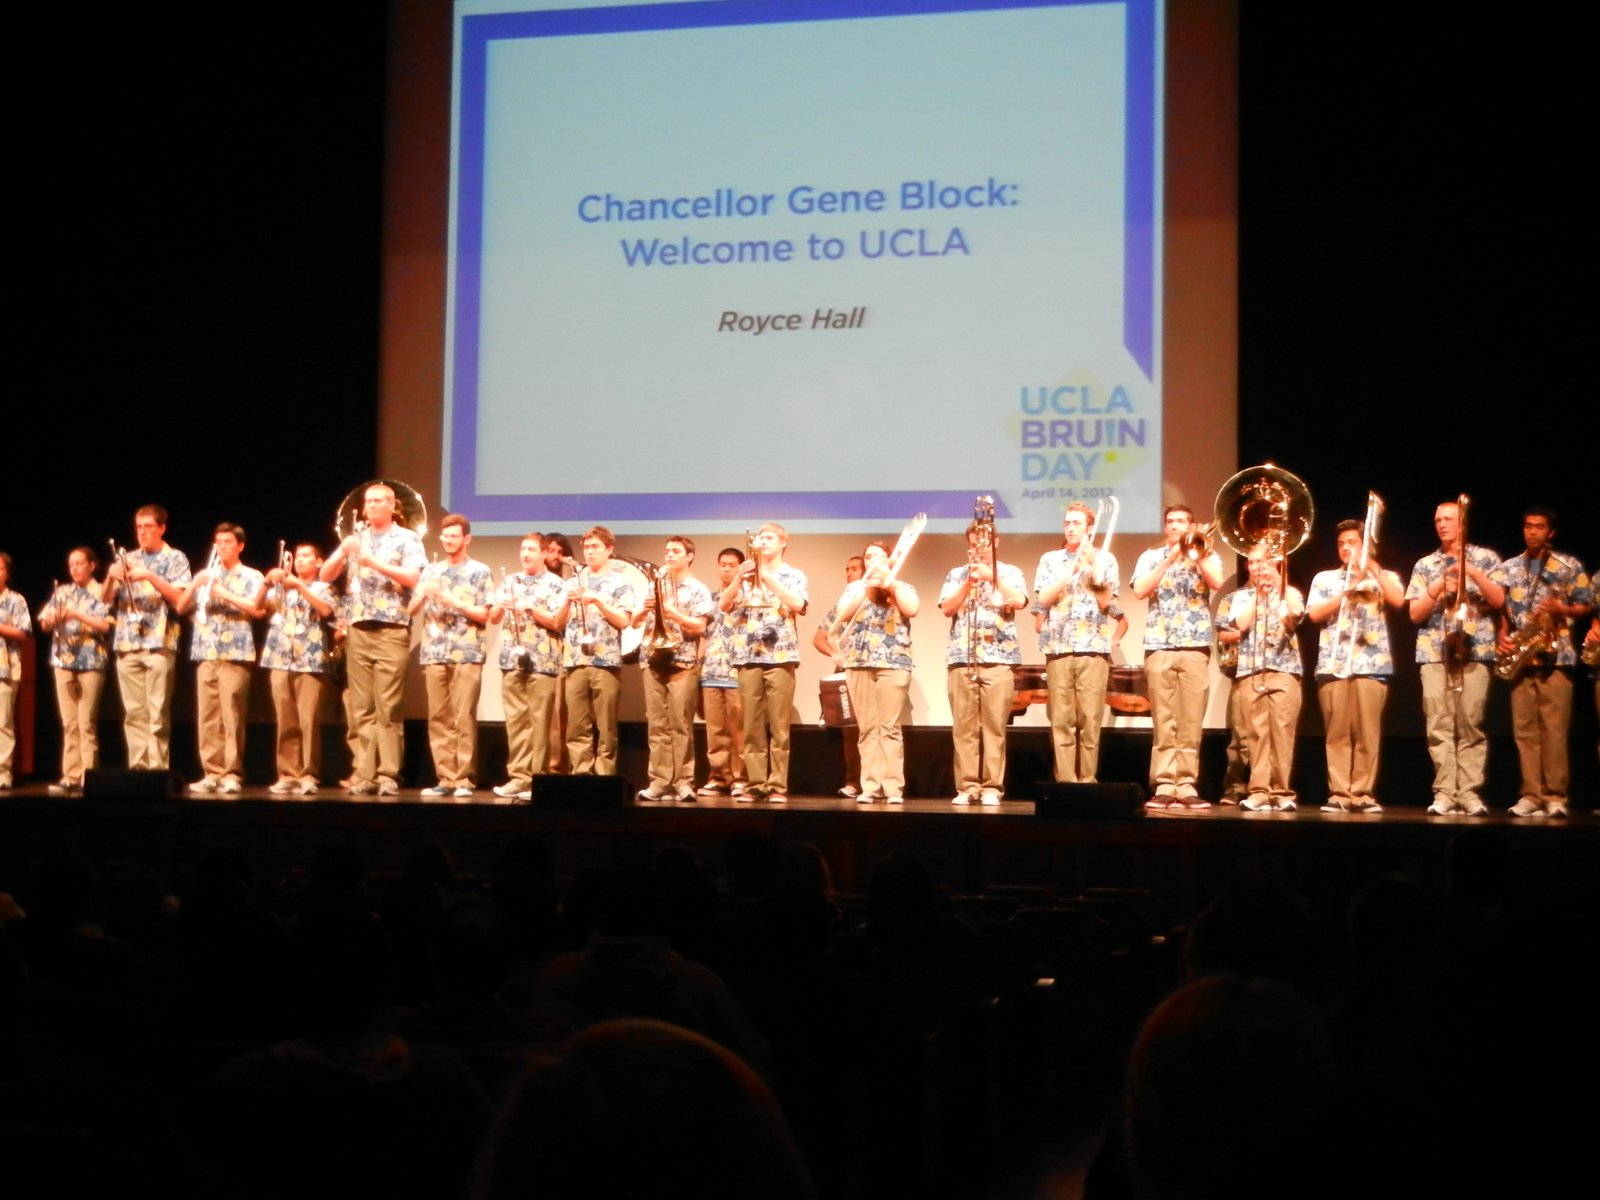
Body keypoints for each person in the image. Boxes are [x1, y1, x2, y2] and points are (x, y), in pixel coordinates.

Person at [321, 483, 426, 797]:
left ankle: (388, 774)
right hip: (358, 627)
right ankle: (365, 773)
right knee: (362, 706)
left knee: (388, 706)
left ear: (393, 506)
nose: (372, 506)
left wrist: (373, 563)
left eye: (379, 501)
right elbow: (325, 575)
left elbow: (414, 577)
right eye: (368, 501)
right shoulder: (357, 538)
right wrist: (344, 550)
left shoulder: (407, 538)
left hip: (392, 627)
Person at [1490, 506, 1592, 818]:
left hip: (1556, 656)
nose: (1532, 532)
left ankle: (1556, 796)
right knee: (1525, 731)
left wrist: (1562, 609)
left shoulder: (1568, 565)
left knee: (1554, 730)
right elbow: (1500, 608)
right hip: (1522, 656)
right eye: (1528, 526)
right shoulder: (1509, 567)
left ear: (1551, 532)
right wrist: (1502, 634)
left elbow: (1586, 605)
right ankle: (1531, 795)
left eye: (1539, 527)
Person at [1405, 499, 1504, 816]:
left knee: (1470, 722)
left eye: (1448, 519)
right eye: (1438, 520)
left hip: (1475, 648)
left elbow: (1499, 600)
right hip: (1434, 651)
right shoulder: (1425, 564)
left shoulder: (1486, 558)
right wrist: (1436, 588)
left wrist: (1471, 572)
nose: (1442, 525)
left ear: (1462, 523)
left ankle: (1469, 793)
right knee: (1439, 725)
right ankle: (1445, 792)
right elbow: (1414, 614)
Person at [1306, 517, 1405, 813]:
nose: (1346, 548)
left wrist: (1372, 568)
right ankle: (1339, 793)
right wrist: (1347, 591)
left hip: (1371, 664)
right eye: (1341, 544)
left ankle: (1362, 793)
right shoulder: (1324, 578)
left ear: (1365, 545)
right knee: (1336, 733)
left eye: (1352, 543)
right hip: (1333, 664)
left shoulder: (1384, 575)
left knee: (1367, 734)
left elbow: (1399, 601)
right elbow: (1314, 615)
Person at [1131, 504, 1226, 808]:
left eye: (1181, 521)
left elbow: (1216, 582)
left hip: (1195, 646)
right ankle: (1163, 784)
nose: (1175, 526)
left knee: (1190, 720)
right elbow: (1140, 591)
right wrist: (1169, 558)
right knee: (1163, 720)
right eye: (1170, 521)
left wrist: (1196, 554)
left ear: (1191, 525)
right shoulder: (1150, 557)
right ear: (1165, 527)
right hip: (1159, 645)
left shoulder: (1206, 553)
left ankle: (1186, 784)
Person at [1031, 502, 1125, 784]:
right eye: (1067, 523)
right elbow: (1043, 599)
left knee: (1090, 718)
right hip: (1058, 648)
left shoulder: (1106, 559)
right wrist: (1072, 571)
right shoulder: (1050, 559)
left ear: (1089, 528)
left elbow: (1106, 602)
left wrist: (1092, 566)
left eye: (1076, 523)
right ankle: (1066, 781)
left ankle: (1087, 780)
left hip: (1093, 648)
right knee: (1061, 719)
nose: (1070, 528)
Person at [939, 518, 1028, 805]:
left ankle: (992, 787)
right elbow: (947, 608)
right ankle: (967, 787)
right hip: (962, 658)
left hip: (999, 659)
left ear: (996, 543)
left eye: (985, 542)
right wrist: (969, 583)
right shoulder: (956, 574)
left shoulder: (1011, 572)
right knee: (964, 728)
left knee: (994, 728)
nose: (979, 547)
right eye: (974, 542)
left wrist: (992, 577)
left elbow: (1019, 601)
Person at [721, 524, 808, 804]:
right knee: (751, 724)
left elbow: (799, 605)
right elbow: (723, 605)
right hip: (747, 655)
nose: (763, 541)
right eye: (760, 537)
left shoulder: (794, 575)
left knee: (779, 726)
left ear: (783, 543)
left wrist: (768, 579)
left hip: (780, 656)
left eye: (769, 537)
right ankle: (756, 783)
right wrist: (738, 579)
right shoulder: (744, 575)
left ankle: (778, 785)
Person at [177, 523, 266, 795]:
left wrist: (223, 593)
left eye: (228, 542)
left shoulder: (252, 575)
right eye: (219, 542)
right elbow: (181, 607)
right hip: (206, 651)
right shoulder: (208, 574)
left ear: (240, 546)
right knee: (207, 716)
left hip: (235, 652)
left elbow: (258, 609)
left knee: (232, 715)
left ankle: (232, 773)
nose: (222, 547)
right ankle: (211, 772)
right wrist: (196, 583)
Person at [410, 514, 493, 800]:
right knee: (438, 717)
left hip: (467, 652)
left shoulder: (480, 571)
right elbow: (411, 610)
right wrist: (423, 594)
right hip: (435, 652)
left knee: (463, 716)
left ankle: (464, 779)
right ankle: (445, 777)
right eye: (445, 536)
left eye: (454, 536)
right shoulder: (431, 571)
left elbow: (485, 614)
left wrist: (454, 602)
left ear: (466, 539)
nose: (448, 540)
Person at [830, 540, 919, 804]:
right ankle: (870, 786)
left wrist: (890, 583)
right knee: (867, 727)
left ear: (890, 560)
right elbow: (843, 614)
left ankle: (892, 788)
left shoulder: (902, 587)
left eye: (879, 556)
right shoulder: (855, 588)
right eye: (869, 557)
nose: (873, 561)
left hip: (894, 663)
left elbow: (912, 609)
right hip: (859, 662)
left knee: (889, 727)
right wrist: (867, 585)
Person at [104, 504, 191, 770]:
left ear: (162, 528)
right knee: (133, 712)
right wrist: (110, 577)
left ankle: (157, 769)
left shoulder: (175, 558)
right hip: (128, 642)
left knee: (157, 711)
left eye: (148, 527)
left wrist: (151, 576)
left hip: (159, 642)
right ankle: (138, 768)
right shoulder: (128, 558)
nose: (142, 532)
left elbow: (180, 600)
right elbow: (105, 600)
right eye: (139, 527)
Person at [489, 533, 567, 803]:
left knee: (540, 723)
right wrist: (500, 605)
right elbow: (493, 617)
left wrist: (531, 608)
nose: (525, 553)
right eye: (523, 548)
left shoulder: (556, 584)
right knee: (516, 722)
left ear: (544, 553)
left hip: (542, 661)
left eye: (531, 549)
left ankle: (537, 778)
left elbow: (557, 622)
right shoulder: (510, 581)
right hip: (512, 660)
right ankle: (518, 777)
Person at [634, 536, 713, 803]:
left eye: (676, 551)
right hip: (653, 659)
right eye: (667, 550)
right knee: (657, 725)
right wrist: (644, 610)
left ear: (689, 557)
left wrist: (671, 613)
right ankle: (659, 781)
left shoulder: (698, 589)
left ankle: (683, 781)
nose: (669, 555)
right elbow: (634, 622)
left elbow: (700, 626)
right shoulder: (653, 586)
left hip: (683, 660)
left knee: (681, 724)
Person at [1227, 551, 1306, 811]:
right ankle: (1259, 791)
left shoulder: (1290, 593)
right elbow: (1241, 623)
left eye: (1265, 562)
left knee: (1282, 733)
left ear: (1275, 563)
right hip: (1251, 670)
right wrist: (1258, 594)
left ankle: (1281, 792)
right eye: (1255, 562)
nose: (1260, 567)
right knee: (1256, 734)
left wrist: (1278, 583)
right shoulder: (1242, 597)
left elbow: (1296, 613)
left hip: (1285, 670)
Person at [555, 526, 636, 776]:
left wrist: (598, 600)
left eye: (595, 547)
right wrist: (568, 601)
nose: (589, 552)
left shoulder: (620, 583)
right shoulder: (572, 583)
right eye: (586, 547)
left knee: (606, 724)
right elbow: (557, 623)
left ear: (609, 550)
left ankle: (604, 776)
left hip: (605, 661)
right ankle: (581, 773)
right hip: (575, 660)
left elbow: (624, 621)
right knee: (577, 725)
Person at [258, 543, 336, 796]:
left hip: (310, 661)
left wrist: (301, 587)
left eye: (306, 556)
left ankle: (308, 774)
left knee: (308, 721)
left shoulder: (324, 587)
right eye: (298, 556)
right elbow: (258, 608)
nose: (300, 560)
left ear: (319, 561)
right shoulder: (281, 588)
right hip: (280, 659)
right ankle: (287, 774)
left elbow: (325, 610)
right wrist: (266, 583)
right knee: (285, 720)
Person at [36, 548, 112, 795]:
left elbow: (105, 625)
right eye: (71, 565)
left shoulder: (102, 591)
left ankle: (89, 776)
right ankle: (70, 775)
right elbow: (44, 623)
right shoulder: (63, 591)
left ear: (92, 565)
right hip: (64, 662)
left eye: (79, 563)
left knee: (85, 722)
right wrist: (53, 619)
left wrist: (77, 614)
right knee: (69, 723)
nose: (75, 568)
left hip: (91, 662)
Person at [812, 555, 865, 798]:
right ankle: (853, 781)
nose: (849, 573)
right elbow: (819, 638)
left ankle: (877, 783)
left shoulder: (876, 602)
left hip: (872, 669)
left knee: (874, 729)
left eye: (855, 569)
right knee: (850, 731)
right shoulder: (841, 606)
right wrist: (836, 654)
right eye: (847, 569)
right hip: (846, 672)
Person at [697, 547, 749, 798]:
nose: (726, 569)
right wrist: (699, 665)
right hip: (711, 670)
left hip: (737, 670)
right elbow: (703, 635)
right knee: (715, 730)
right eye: (723, 564)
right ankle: (718, 776)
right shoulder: (709, 598)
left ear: (741, 567)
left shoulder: (748, 597)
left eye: (732, 565)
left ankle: (740, 778)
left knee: (739, 730)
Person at [0, 554, 31, 791]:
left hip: (5, 668)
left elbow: (22, 633)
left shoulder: (15, 600)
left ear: (7, 573)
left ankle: (2, 773)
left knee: (2, 723)